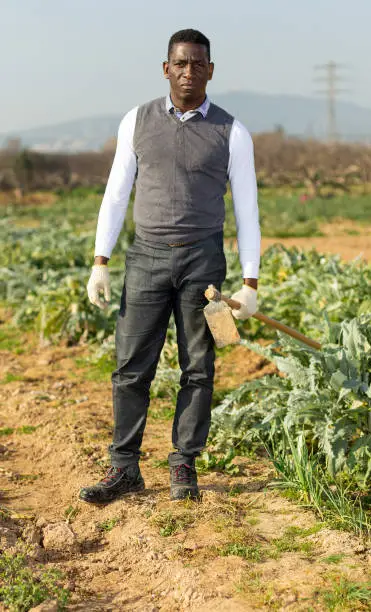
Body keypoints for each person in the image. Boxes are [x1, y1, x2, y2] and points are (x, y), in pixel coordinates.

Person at [79, 29, 260, 504]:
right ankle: (124, 468)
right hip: (146, 258)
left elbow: (247, 210)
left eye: (198, 64)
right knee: (130, 366)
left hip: (204, 263)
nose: (188, 72)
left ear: (210, 70)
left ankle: (184, 464)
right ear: (166, 68)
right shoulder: (136, 122)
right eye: (180, 63)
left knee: (198, 366)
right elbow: (116, 194)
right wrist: (101, 261)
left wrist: (251, 280)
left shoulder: (232, 132)